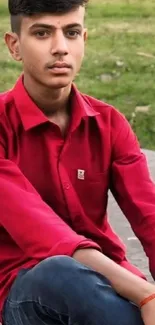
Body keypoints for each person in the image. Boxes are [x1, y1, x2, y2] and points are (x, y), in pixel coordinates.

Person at [1, 0, 155, 324]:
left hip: (108, 286)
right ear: (14, 46)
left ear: (84, 39)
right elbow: (46, 236)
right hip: (26, 291)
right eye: (42, 33)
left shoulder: (109, 123)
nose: (60, 48)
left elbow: (149, 216)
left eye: (71, 33)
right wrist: (145, 293)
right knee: (62, 273)